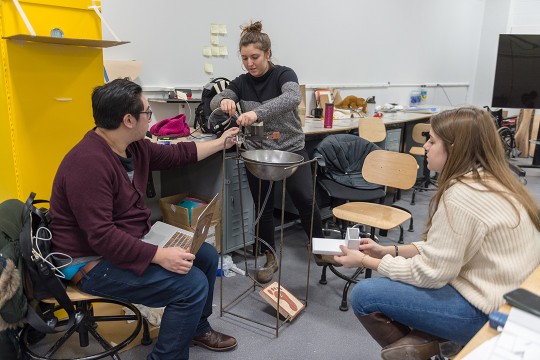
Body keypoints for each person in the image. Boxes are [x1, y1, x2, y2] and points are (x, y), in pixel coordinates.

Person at [50, 78, 240, 360]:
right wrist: (158, 255)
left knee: (207, 255)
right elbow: (102, 238)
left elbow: (178, 153)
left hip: (126, 242)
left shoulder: (134, 147)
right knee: (191, 286)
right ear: (128, 119)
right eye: (147, 113)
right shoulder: (87, 164)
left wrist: (221, 142)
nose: (150, 120)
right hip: (90, 262)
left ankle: (196, 328)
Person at [334, 107, 540, 360]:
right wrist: (389, 250)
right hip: (505, 295)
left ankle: (431, 345)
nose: (425, 147)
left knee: (365, 294)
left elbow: (431, 274)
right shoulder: (490, 179)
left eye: (432, 140)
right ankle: (435, 342)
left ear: (454, 148)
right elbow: (444, 247)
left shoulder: (463, 195)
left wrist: (367, 261)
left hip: (487, 311)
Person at [210, 20, 324, 283]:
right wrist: (225, 99)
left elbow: (292, 98)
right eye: (245, 58)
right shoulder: (240, 82)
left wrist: (255, 112)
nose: (250, 63)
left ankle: (318, 247)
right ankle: (269, 257)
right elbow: (217, 99)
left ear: (268, 54)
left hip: (291, 151)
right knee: (263, 208)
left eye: (255, 57)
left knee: (306, 200)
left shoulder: (284, 74)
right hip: (257, 155)